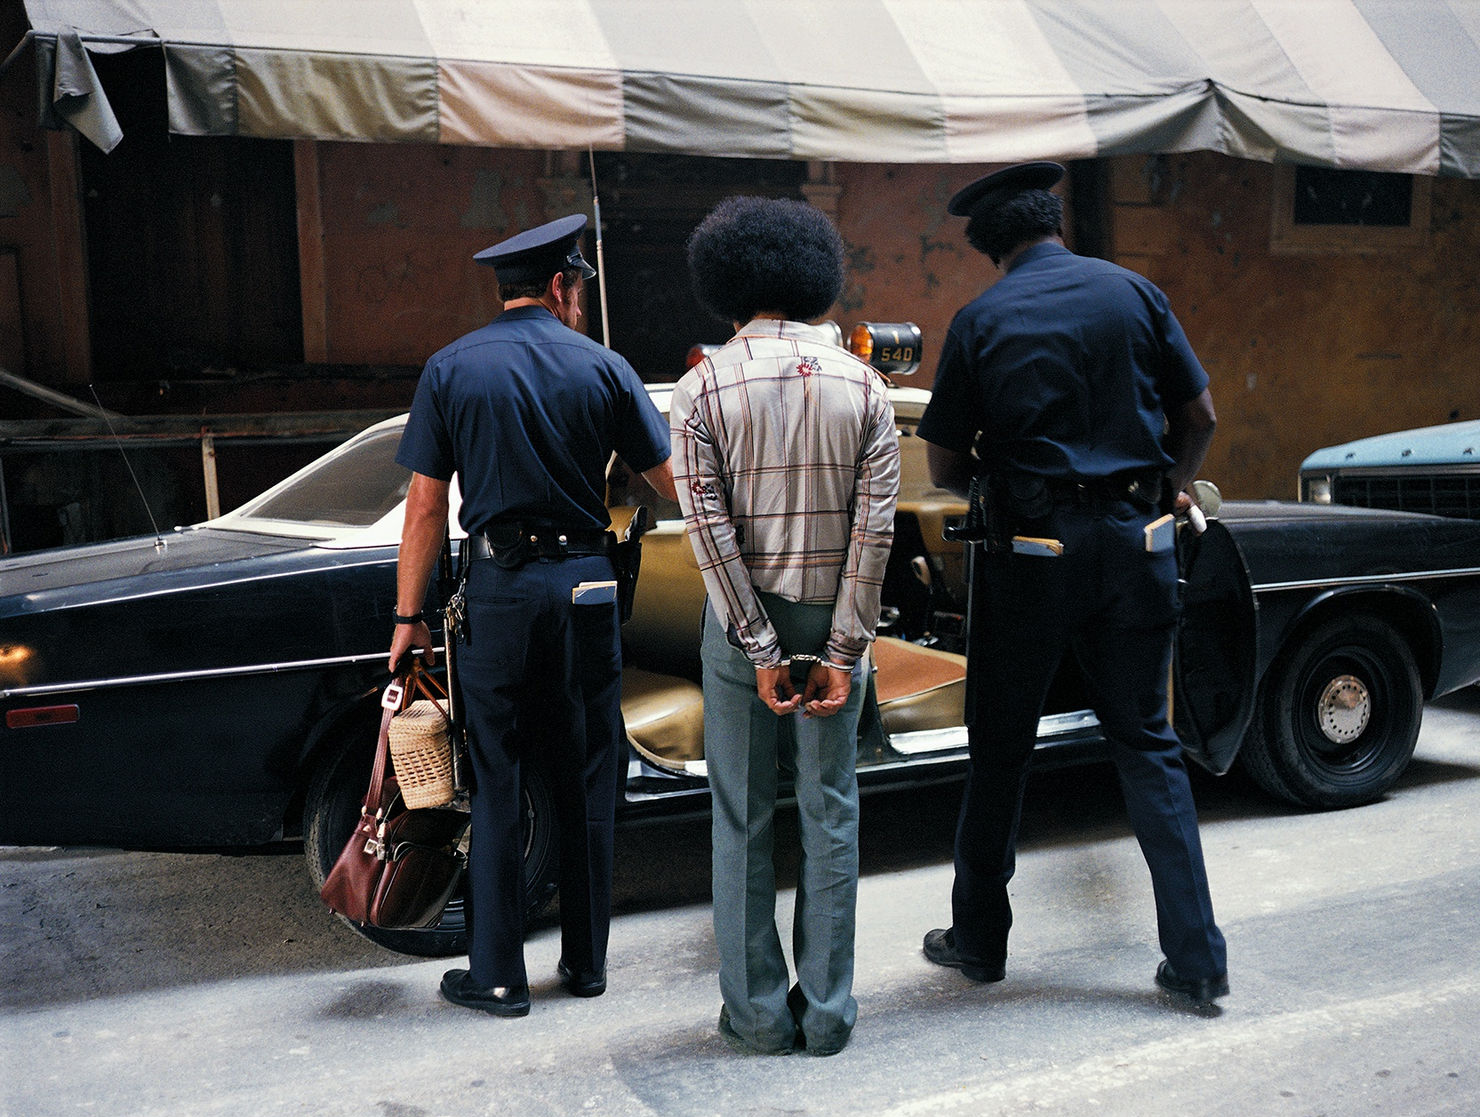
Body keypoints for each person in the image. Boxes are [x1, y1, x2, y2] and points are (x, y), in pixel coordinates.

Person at [916, 162, 1230, 1006]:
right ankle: (1198, 958)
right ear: (1055, 223)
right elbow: (1199, 415)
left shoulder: (982, 319)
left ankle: (980, 940)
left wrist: (1006, 474)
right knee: (1148, 745)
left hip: (1033, 554)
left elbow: (946, 461)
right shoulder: (1135, 292)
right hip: (1138, 544)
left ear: (990, 244)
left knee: (1002, 750)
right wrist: (1168, 486)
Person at [391, 214, 675, 1018]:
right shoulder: (606, 368)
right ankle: (585, 964)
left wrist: (408, 616)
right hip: (587, 587)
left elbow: (424, 507)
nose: (579, 304)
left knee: (496, 777)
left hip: (500, 592)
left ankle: (499, 974)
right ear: (560, 286)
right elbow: (670, 484)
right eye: (578, 290)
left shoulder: (450, 368)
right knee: (589, 769)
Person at [671, 197, 900, 1055]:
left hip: (742, 621)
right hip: (839, 612)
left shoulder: (701, 387)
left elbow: (709, 534)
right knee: (830, 806)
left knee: (742, 813)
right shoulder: (866, 387)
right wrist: (842, 648)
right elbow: (875, 535)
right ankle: (831, 1012)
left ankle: (760, 1016)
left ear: (725, 284)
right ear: (816, 279)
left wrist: (758, 646)